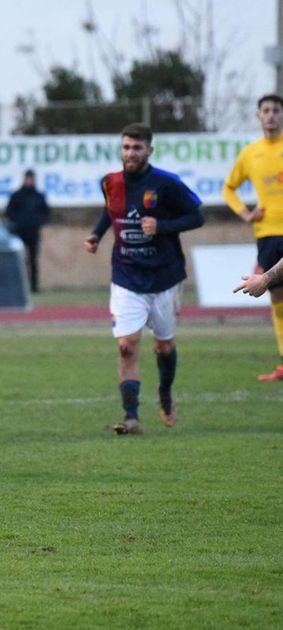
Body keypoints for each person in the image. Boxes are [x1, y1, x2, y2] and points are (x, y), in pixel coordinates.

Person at [84, 123, 204, 435]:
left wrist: (162, 226)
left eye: (137, 148)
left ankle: (165, 391)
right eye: (126, 147)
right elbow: (110, 212)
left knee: (163, 346)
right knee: (126, 344)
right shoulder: (109, 182)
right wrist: (96, 235)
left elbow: (197, 216)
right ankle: (132, 417)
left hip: (164, 276)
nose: (130, 153)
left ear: (149, 150)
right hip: (126, 274)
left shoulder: (166, 183)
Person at [222, 94, 283, 381]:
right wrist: (246, 215)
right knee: (277, 298)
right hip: (267, 234)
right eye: (266, 111)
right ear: (259, 116)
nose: (271, 115)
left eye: (276, 110)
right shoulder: (250, 154)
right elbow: (228, 188)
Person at [5, 169, 51, 293]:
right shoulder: (17, 195)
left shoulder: (38, 196)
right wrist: (18, 222)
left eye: (32, 178)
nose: (30, 181)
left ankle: (34, 287)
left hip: (33, 232)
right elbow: (9, 211)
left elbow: (46, 212)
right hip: (19, 232)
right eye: (28, 178)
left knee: (33, 260)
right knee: (20, 260)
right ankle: (19, 286)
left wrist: (37, 221)